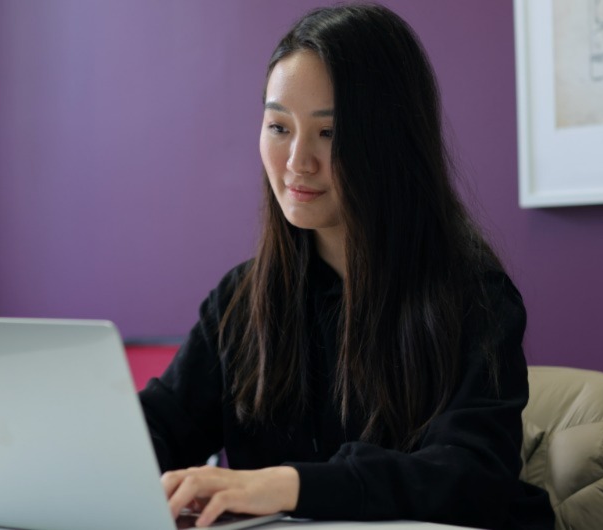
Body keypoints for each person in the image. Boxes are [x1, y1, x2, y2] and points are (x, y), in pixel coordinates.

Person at [139, 4, 555, 529]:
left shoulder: (473, 296)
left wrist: (287, 484)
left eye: (329, 133)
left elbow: (470, 476)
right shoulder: (241, 299)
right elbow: (158, 427)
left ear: (390, 141)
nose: (297, 162)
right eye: (278, 127)